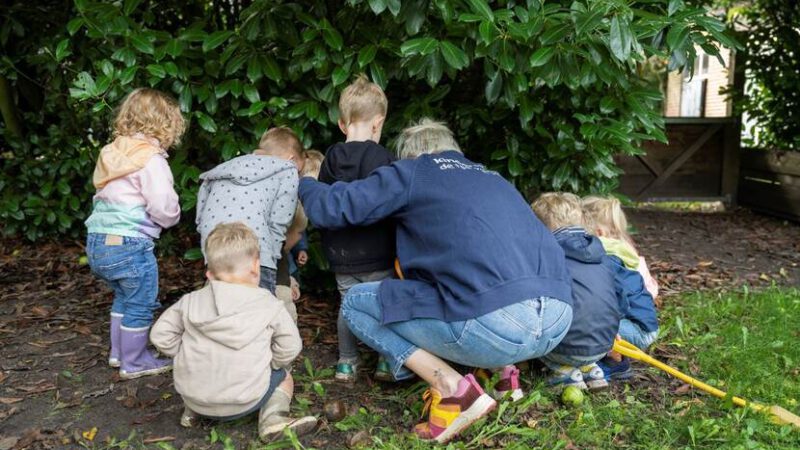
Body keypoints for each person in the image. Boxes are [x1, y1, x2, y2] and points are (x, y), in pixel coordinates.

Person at [299, 118, 574, 443]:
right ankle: (505, 378)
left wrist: (304, 182)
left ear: (409, 156)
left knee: (357, 304)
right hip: (558, 320)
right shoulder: (493, 176)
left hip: (501, 327)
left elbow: (336, 207)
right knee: (481, 282)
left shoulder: (417, 171)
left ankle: (453, 390)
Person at [150, 222, 317, 441]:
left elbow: (159, 335)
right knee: (284, 377)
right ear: (256, 267)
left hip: (194, 397)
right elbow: (291, 346)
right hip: (245, 400)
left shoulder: (189, 302)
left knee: (202, 365)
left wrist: (185, 354)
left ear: (209, 274)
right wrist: (271, 364)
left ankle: (192, 413)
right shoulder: (269, 303)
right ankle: (272, 419)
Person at [85, 88, 185, 380]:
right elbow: (163, 204)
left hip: (98, 243)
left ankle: (119, 353)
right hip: (130, 244)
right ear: (166, 125)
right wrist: (172, 218)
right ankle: (135, 361)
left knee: (123, 296)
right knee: (141, 301)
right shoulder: (151, 160)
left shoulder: (111, 153)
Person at [317, 75, 397, 382]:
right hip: (377, 250)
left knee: (347, 303)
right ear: (378, 124)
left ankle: (347, 363)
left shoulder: (331, 158)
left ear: (341, 124)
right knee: (382, 303)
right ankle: (386, 360)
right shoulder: (383, 157)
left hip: (341, 251)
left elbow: (323, 202)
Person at [195, 127, 304, 295]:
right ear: (291, 159)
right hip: (254, 251)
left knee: (220, 310)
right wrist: (270, 261)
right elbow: (279, 222)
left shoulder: (225, 168)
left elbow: (200, 217)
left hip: (216, 248)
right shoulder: (287, 169)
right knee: (257, 313)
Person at [531, 193, 621, 391]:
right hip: (604, 344)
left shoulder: (544, 253)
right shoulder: (601, 253)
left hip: (564, 347)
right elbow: (616, 296)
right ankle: (591, 368)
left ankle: (563, 372)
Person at [582, 196, 659, 380]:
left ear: (598, 233)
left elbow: (613, 298)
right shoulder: (623, 250)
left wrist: (608, 326)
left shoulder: (606, 258)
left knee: (587, 327)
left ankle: (615, 363)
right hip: (644, 324)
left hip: (636, 329)